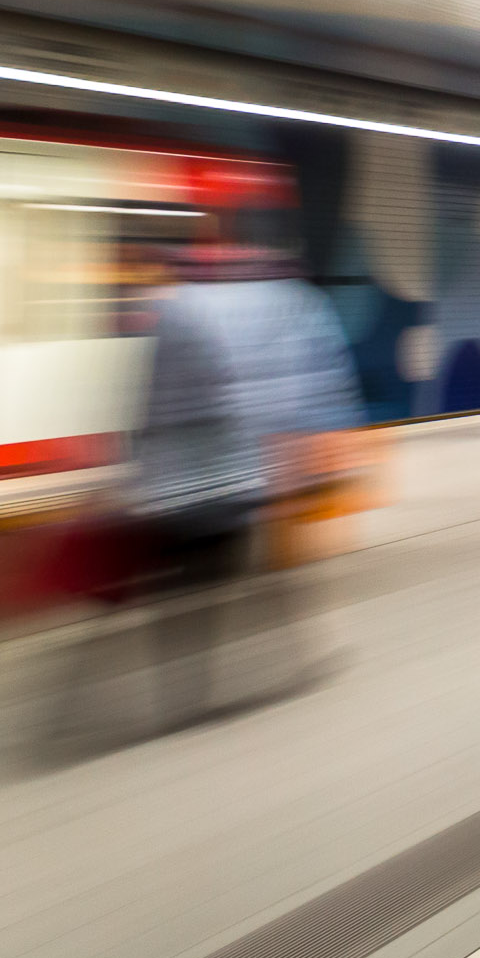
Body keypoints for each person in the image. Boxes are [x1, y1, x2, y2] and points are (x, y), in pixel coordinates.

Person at [121, 237, 364, 729]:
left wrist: (139, 459)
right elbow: (321, 385)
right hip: (248, 473)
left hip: (181, 479)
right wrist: (322, 457)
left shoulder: (179, 310)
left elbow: (153, 400)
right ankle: (289, 659)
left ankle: (184, 690)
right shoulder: (295, 304)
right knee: (265, 569)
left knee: (187, 583)